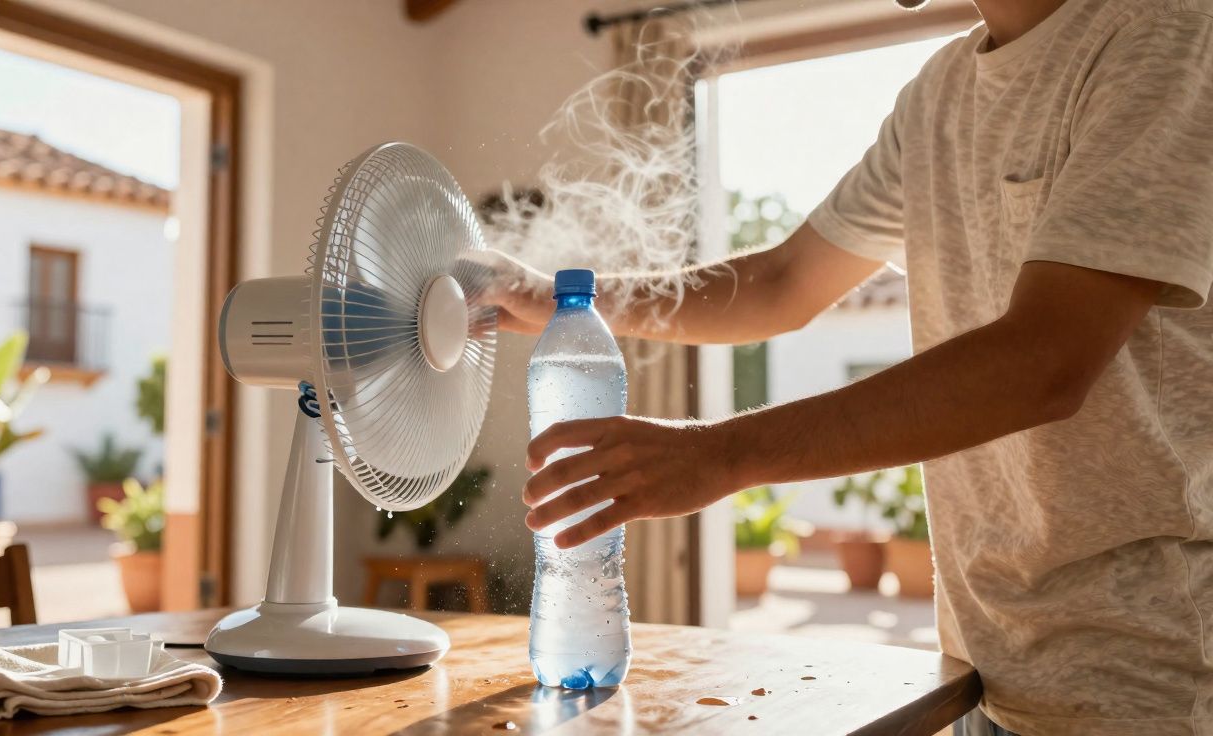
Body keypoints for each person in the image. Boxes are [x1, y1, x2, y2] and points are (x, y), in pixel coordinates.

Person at [486, 0, 1213, 733]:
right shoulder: (939, 93)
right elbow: (782, 282)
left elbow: (1046, 359)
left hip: (1156, 684)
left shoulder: (1167, 36)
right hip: (986, 676)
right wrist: (564, 302)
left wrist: (719, 454)